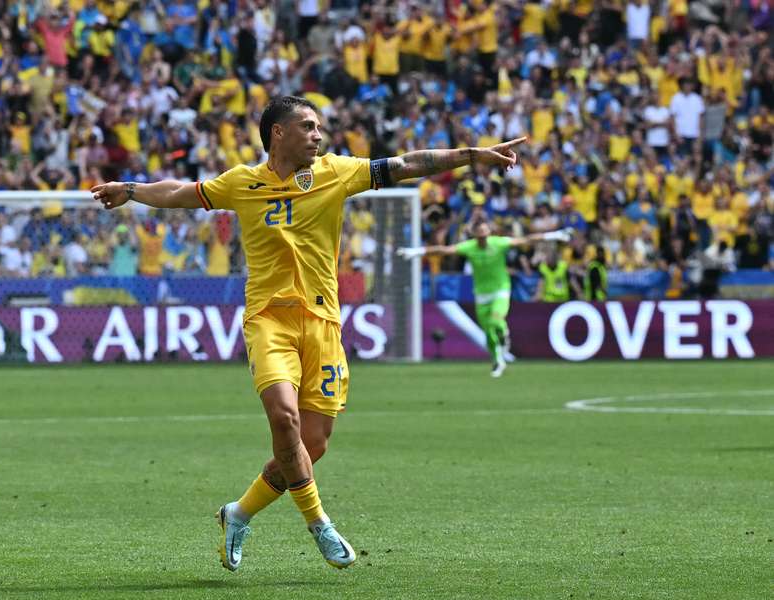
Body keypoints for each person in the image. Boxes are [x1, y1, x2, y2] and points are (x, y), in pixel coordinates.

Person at [91, 95, 525, 571]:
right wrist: (130, 189)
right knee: (284, 419)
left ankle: (238, 513)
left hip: (323, 324)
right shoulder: (243, 182)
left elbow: (406, 163)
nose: (319, 135)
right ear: (278, 133)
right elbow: (179, 193)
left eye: (320, 128)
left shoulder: (337, 172)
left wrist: (472, 156)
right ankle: (320, 524)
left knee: (311, 446)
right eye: (309, 126)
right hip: (268, 319)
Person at [399, 221, 570, 377]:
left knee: (496, 321)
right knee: (488, 331)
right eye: (479, 232)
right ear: (475, 234)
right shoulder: (469, 247)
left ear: (489, 232)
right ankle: (498, 361)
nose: (483, 235)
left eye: (485, 231)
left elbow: (526, 240)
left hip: (500, 290)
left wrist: (553, 235)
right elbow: (444, 250)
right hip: (481, 294)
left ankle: (505, 335)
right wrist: (416, 252)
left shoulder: (499, 243)